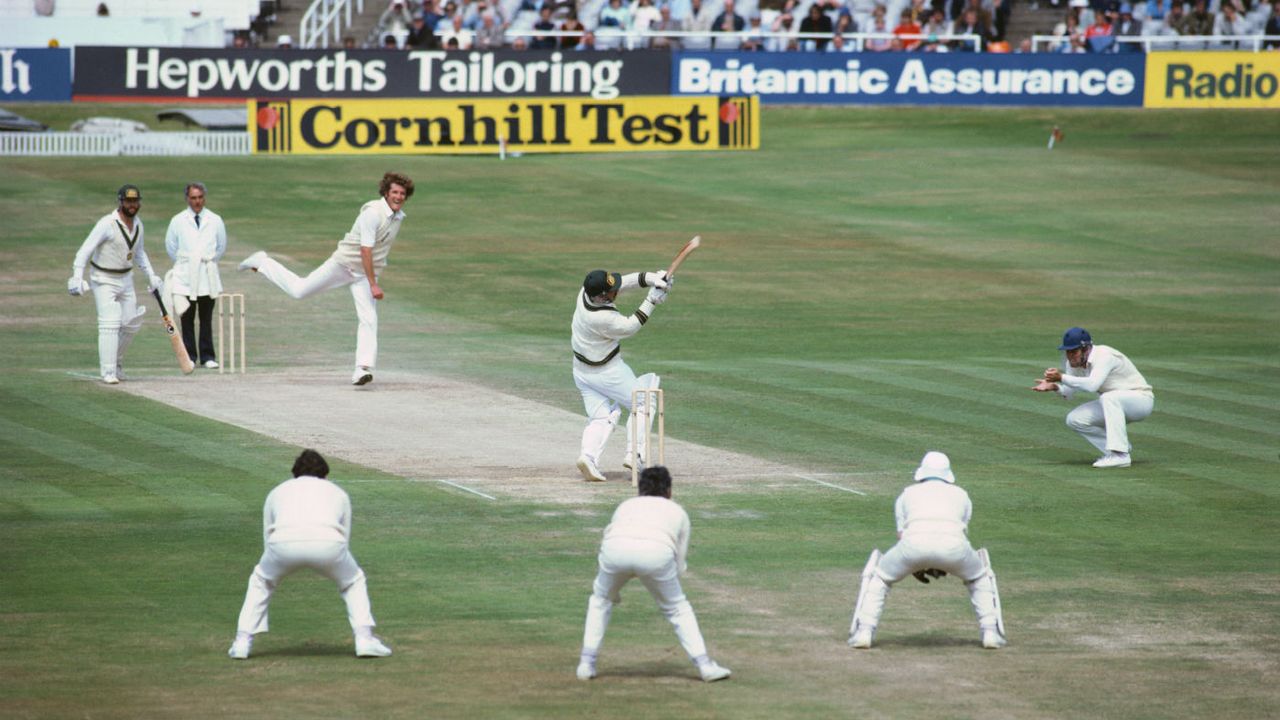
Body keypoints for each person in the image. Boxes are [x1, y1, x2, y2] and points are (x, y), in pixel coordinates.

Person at [238, 172, 414, 387]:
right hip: (343, 265)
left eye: (402, 193)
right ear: (386, 193)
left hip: (364, 274)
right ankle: (262, 262)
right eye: (394, 192)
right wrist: (373, 283)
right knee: (299, 291)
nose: (398, 196)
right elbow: (365, 250)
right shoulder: (372, 214)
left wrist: (371, 278)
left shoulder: (398, 217)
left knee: (369, 318)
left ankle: (362, 369)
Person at [227, 449, 392, 660]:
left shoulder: (277, 491)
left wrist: (275, 565)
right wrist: (334, 563)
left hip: (281, 543)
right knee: (353, 580)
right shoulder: (337, 492)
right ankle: (365, 639)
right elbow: (345, 534)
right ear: (325, 473)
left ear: (295, 472)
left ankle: (242, 642)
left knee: (261, 580)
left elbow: (267, 533)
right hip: (329, 543)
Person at [575, 466, 731, 683]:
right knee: (677, 608)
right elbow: (678, 564)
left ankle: (586, 664)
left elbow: (610, 538)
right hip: (657, 555)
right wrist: (656, 577)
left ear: (640, 489)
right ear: (669, 491)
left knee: (600, 599)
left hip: (614, 552)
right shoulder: (678, 512)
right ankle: (705, 666)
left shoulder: (625, 505)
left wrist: (612, 588)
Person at [848, 451, 1007, 650]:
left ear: (921, 472)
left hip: (912, 546)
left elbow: (902, 535)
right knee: (979, 576)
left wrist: (917, 564)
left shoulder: (907, 494)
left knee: (879, 576)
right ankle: (990, 631)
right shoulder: (962, 495)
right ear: (948, 474)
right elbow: (959, 534)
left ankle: (864, 631)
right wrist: (941, 563)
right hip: (954, 548)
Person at [571, 266, 671, 482]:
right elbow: (630, 327)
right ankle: (636, 454)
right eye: (610, 290)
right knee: (645, 401)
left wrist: (653, 279)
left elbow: (621, 284)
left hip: (581, 372)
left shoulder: (585, 292)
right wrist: (652, 300)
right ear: (602, 297)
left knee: (601, 417)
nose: (615, 289)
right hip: (607, 371)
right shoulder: (601, 318)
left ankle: (587, 457)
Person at [67, 184, 164, 384]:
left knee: (131, 322)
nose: (132, 205)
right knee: (110, 322)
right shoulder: (107, 223)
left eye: (135, 201)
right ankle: (108, 371)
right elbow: (85, 250)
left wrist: (152, 275)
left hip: (126, 279)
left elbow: (139, 253)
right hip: (103, 279)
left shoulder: (138, 224)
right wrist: (77, 276)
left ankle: (117, 365)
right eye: (128, 201)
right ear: (120, 202)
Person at [1032, 327, 1154, 468]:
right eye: (1068, 352)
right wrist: (1055, 387)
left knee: (1108, 398)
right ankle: (1120, 449)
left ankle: (1120, 455)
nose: (1070, 356)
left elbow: (1092, 385)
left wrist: (1061, 377)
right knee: (1075, 419)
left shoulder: (1104, 356)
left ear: (1086, 349)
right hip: (1114, 403)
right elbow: (1069, 392)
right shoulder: (1074, 364)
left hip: (1140, 400)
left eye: (1074, 351)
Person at [164, 182, 226, 369]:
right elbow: (171, 247)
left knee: (206, 318)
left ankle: (208, 356)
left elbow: (221, 247)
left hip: (207, 274)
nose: (197, 201)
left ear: (204, 198)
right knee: (187, 317)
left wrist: (206, 261)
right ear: (187, 199)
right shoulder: (177, 220)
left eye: (200, 197)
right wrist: (188, 264)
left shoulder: (215, 219)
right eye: (193, 198)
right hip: (185, 275)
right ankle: (189, 355)